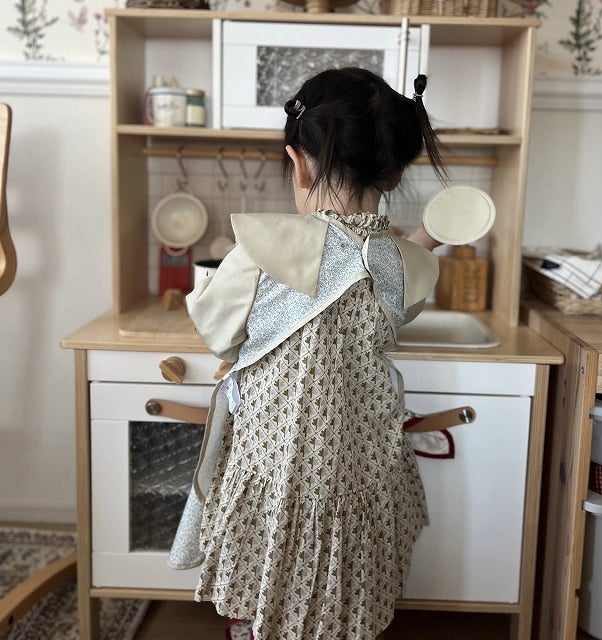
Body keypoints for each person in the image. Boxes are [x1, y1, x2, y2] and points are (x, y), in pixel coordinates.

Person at [172, 67, 447, 640]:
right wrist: (424, 239)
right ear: (394, 173)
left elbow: (217, 332)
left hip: (275, 464)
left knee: (268, 581)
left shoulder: (264, 248)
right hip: (359, 466)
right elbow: (400, 298)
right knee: (344, 593)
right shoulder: (403, 263)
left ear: (298, 164)